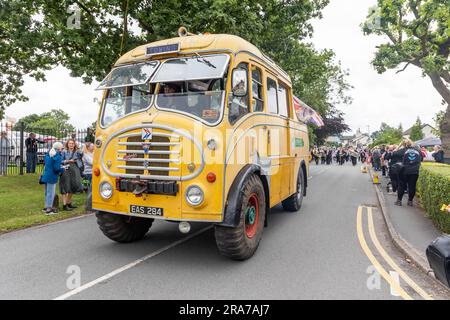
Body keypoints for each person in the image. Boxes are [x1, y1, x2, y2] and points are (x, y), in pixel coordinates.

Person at [393, 139, 422, 206]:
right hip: (415, 171)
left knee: (402, 186)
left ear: (404, 145)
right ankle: (410, 201)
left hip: (404, 170)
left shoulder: (404, 150)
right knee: (412, 186)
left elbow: (394, 153)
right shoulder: (418, 151)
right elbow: (421, 159)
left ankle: (399, 201)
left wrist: (399, 146)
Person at [59, 139, 84, 211]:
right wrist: (68, 161)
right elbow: (60, 161)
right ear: (67, 144)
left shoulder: (77, 152)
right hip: (66, 170)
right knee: (65, 186)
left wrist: (79, 148)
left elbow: (81, 155)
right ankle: (64, 205)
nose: (71, 145)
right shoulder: (63, 152)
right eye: (70, 143)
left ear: (74, 144)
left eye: (72, 143)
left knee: (73, 186)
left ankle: (69, 203)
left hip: (74, 170)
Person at [41, 142, 65, 214]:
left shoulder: (48, 154)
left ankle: (46, 207)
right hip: (52, 176)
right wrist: (63, 169)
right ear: (58, 148)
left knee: (47, 192)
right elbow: (56, 168)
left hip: (46, 174)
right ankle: (49, 208)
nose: (62, 149)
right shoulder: (57, 156)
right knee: (51, 192)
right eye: (61, 148)